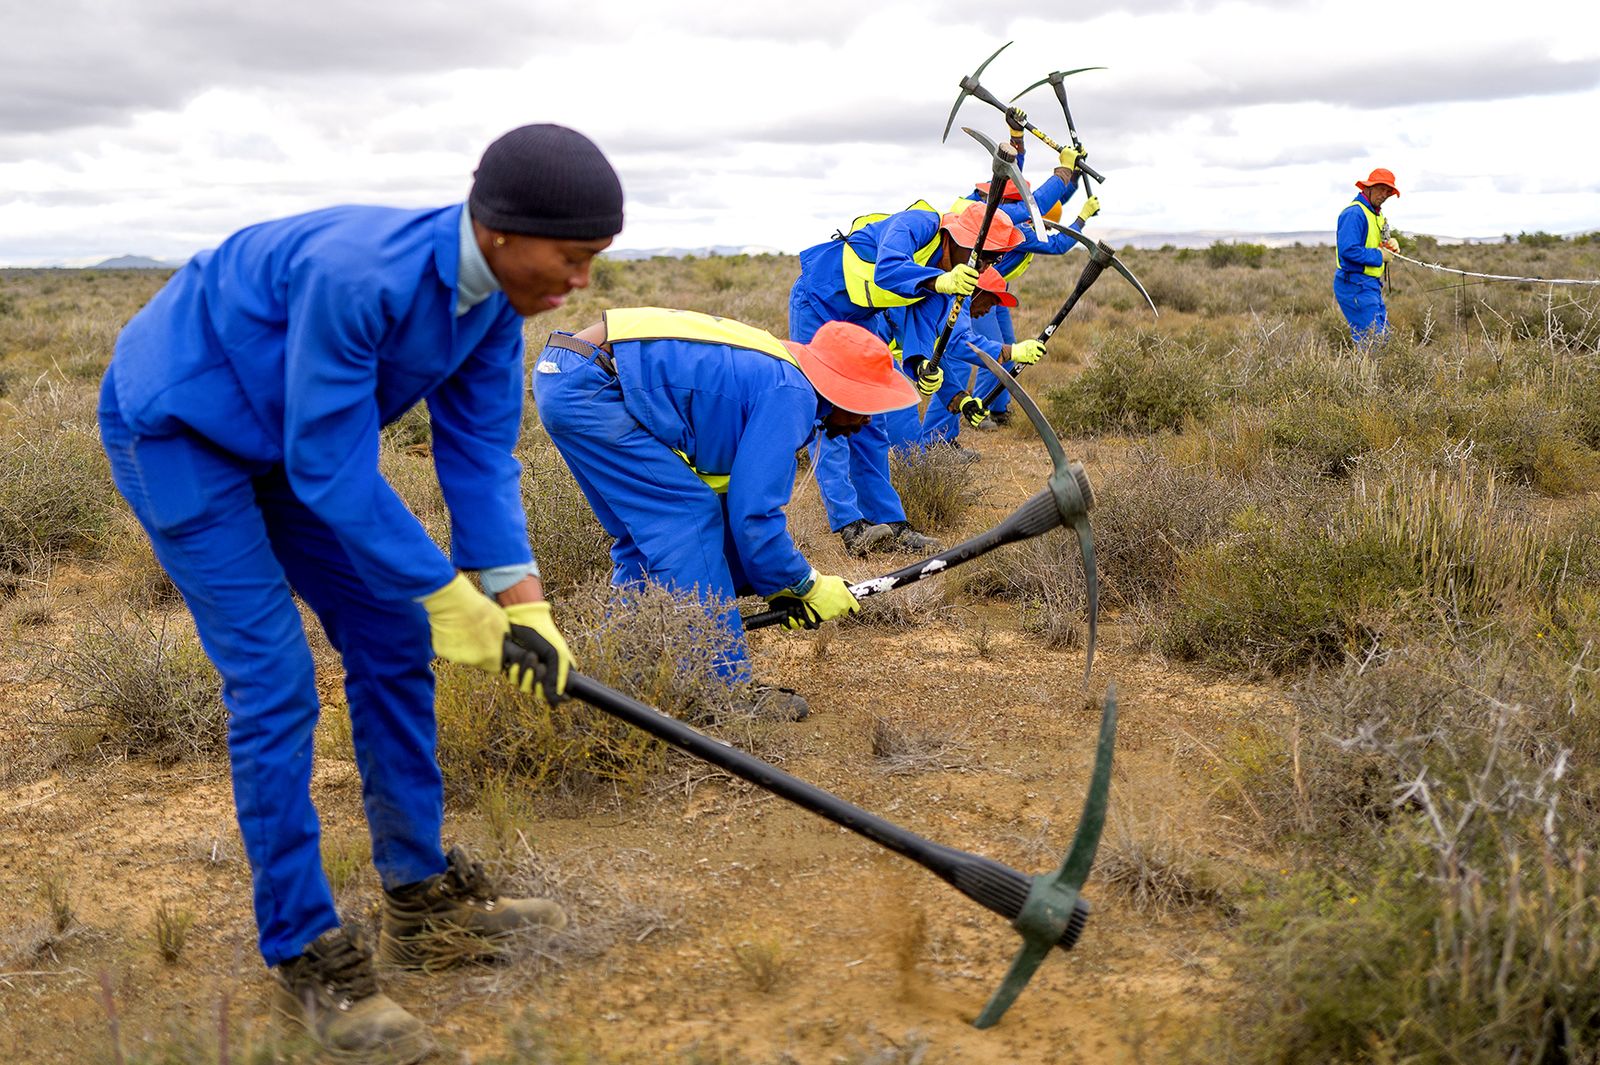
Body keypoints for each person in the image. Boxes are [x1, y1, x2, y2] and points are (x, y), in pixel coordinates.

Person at [97, 123, 623, 1063]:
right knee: (274, 680)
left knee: (389, 637)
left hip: (287, 447)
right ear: (500, 229)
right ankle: (302, 945)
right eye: (572, 256)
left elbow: (479, 457)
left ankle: (418, 900)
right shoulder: (361, 275)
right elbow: (334, 471)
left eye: (594, 260)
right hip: (179, 433)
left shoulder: (495, 307)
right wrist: (444, 592)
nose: (580, 280)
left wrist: (522, 600)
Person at [532, 308, 920, 720]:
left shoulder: (782, 370)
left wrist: (776, 586)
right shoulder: (793, 392)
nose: (865, 419)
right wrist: (804, 584)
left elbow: (731, 496)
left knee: (647, 534)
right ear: (842, 389)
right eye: (866, 404)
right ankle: (722, 692)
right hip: (594, 385)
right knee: (688, 519)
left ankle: (621, 660)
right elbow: (754, 513)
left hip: (570, 373)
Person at [787, 200, 1023, 555]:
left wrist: (926, 373)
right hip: (817, 301)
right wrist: (940, 281)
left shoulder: (943, 281)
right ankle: (851, 526)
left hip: (861, 318)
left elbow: (925, 340)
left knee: (871, 419)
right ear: (958, 239)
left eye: (993, 259)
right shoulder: (919, 224)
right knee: (829, 414)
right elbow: (887, 270)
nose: (986, 264)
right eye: (985, 254)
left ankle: (891, 524)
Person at [964, 110, 1099, 429]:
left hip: (997, 291)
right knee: (992, 353)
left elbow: (1017, 179)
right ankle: (979, 413)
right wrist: (1081, 215)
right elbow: (1056, 243)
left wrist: (1071, 173)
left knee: (1007, 346)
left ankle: (998, 407)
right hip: (975, 291)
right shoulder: (1005, 222)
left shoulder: (1001, 209)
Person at [1335, 167, 1402, 343]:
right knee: (1372, 341)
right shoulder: (1354, 213)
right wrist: (1380, 256)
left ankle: (1374, 371)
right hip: (1354, 284)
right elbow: (1348, 250)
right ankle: (1365, 371)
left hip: (1370, 284)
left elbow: (1373, 241)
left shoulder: (1376, 214)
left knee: (1382, 338)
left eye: (1388, 191)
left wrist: (1389, 245)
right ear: (1368, 187)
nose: (1385, 195)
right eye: (1381, 189)